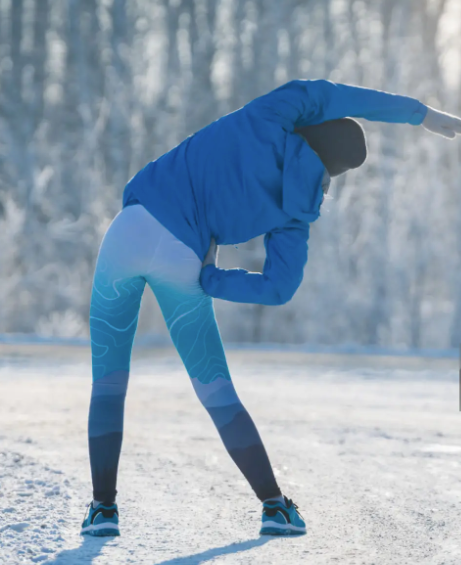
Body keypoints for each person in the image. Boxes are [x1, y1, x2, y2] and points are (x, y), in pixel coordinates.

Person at [80, 79, 461, 537]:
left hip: (130, 228)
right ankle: (274, 507)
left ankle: (103, 510)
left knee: (109, 380)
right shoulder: (298, 211)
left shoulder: (275, 113)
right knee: (216, 390)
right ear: (334, 171)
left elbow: (354, 98)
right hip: (185, 259)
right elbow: (279, 288)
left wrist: (421, 114)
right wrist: (212, 279)